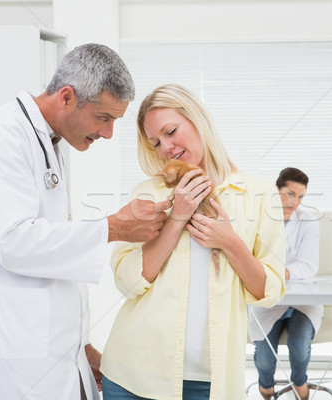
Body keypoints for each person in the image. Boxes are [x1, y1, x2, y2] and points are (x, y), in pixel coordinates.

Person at [0, 44, 171, 400]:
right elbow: (16, 243)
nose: (109, 133)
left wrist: (78, 350)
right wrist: (113, 228)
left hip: (41, 355)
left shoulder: (48, 143)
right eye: (104, 118)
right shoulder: (0, 136)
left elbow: (53, 258)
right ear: (67, 97)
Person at [100, 84, 286, 400]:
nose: (166, 148)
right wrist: (176, 218)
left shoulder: (259, 195)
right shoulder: (148, 193)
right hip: (132, 376)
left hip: (210, 383)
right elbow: (127, 283)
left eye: (171, 131)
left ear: (198, 120)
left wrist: (230, 242)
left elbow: (268, 292)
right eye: (156, 142)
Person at [248, 167, 322, 400]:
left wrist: (273, 273)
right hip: (268, 300)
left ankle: (300, 381)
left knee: (299, 348)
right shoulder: (258, 219)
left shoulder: (308, 221)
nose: (295, 202)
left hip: (302, 300)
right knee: (264, 358)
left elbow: (309, 266)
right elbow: (249, 260)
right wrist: (275, 273)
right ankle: (266, 388)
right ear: (276, 190)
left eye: (300, 197)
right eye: (289, 193)